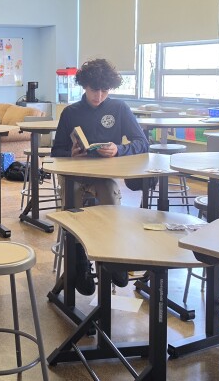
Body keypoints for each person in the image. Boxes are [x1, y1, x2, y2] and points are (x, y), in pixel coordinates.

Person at [51, 58, 149, 295]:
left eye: (105, 91)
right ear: (84, 86)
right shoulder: (71, 112)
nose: (99, 96)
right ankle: (80, 263)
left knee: (111, 203)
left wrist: (118, 149)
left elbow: (142, 143)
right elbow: (56, 151)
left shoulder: (119, 108)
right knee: (72, 209)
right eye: (95, 90)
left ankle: (112, 257)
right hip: (74, 173)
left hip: (104, 175)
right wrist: (71, 154)